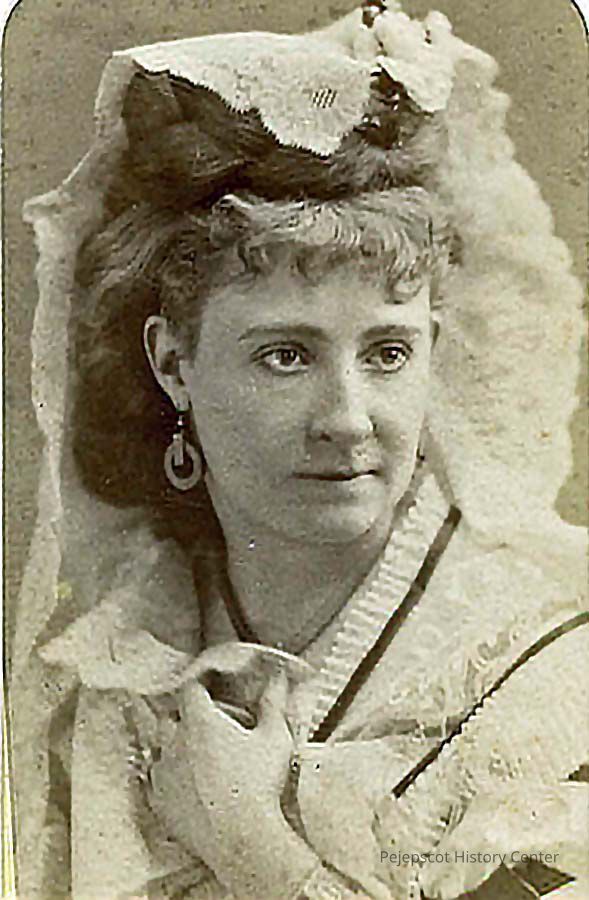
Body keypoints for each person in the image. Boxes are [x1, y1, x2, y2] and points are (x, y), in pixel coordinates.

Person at [10, 2, 588, 898]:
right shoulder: (118, 668)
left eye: (387, 353)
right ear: (173, 363)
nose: (348, 420)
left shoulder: (551, 679)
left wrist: (253, 850)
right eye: (285, 355)